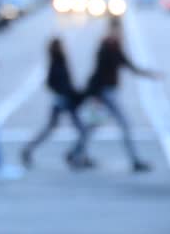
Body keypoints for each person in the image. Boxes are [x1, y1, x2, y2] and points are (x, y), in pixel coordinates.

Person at [84, 18, 157, 172]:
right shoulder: (107, 45)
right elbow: (98, 72)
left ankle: (77, 152)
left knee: (93, 125)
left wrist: (148, 74)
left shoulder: (113, 45)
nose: (119, 33)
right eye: (116, 30)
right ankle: (135, 160)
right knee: (123, 124)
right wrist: (96, 95)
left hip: (107, 92)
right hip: (105, 93)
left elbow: (128, 65)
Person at [20, 38, 90, 169]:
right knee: (81, 130)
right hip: (64, 100)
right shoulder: (58, 61)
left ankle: (29, 149)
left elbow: (54, 83)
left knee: (53, 128)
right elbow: (54, 82)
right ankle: (74, 155)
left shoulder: (58, 60)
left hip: (63, 99)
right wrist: (68, 92)